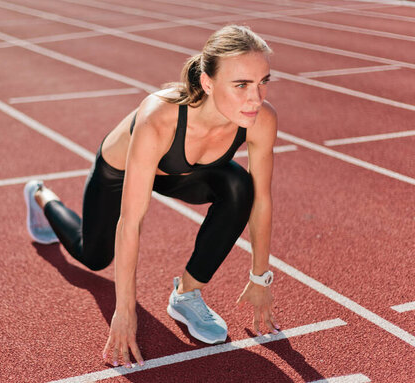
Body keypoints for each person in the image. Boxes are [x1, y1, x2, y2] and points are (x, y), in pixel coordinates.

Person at [23, 24, 280, 369]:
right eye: (242, 85)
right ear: (208, 83)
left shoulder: (260, 119)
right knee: (94, 256)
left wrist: (260, 277)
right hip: (121, 170)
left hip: (187, 172)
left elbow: (261, 201)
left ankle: (186, 294)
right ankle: (40, 195)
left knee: (240, 189)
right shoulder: (158, 117)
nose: (256, 97)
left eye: (263, 81)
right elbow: (131, 221)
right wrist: (125, 310)